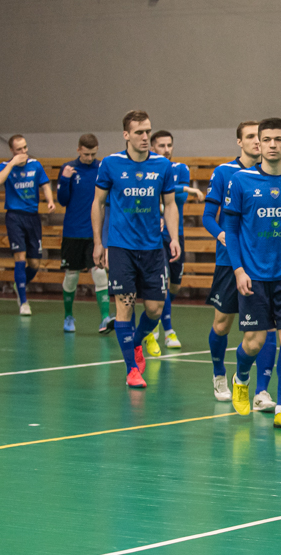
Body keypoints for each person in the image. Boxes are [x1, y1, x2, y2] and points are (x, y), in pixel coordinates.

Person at [222, 118, 281, 431]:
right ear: (258, 145)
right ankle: (241, 377)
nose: (273, 144)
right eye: (267, 139)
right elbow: (231, 229)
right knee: (254, 342)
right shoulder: (241, 180)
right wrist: (238, 270)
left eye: (278, 139)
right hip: (254, 275)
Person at [91, 110, 179, 389]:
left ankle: (137, 342)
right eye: (139, 132)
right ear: (126, 135)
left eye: (148, 131)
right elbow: (98, 203)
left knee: (154, 309)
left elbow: (170, 204)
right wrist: (98, 242)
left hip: (153, 248)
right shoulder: (110, 164)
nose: (145, 136)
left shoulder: (162, 166)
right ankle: (131, 368)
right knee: (125, 306)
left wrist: (174, 237)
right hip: (121, 248)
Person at [203, 121, 279, 409]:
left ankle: (261, 391)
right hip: (229, 261)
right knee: (222, 324)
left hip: (262, 264)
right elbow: (208, 216)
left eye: (259, 137)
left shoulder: (273, 174)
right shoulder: (224, 173)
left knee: (267, 328)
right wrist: (222, 235)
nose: (257, 142)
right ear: (239, 142)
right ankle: (219, 373)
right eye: (250, 137)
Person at [144, 130, 206, 355]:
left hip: (175, 233)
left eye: (169, 145)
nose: (166, 149)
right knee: (163, 281)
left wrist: (181, 190)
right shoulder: (148, 169)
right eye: (161, 145)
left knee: (175, 285)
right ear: (152, 147)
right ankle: (167, 330)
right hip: (154, 235)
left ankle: (156, 316)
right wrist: (186, 188)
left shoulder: (180, 168)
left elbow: (178, 198)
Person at [0, 134, 55, 315]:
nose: (23, 151)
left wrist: (50, 201)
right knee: (20, 257)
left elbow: (45, 184)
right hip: (14, 217)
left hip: (33, 218)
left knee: (34, 263)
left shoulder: (35, 165)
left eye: (25, 147)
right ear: (12, 151)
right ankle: (24, 302)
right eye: (19, 149)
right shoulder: (5, 166)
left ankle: (18, 284)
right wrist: (12, 163)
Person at [57, 133, 113, 333]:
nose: (89, 158)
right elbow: (62, 200)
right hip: (72, 232)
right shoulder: (68, 169)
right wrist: (65, 179)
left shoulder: (102, 169)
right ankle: (68, 316)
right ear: (78, 149)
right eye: (86, 154)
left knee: (99, 273)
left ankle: (105, 318)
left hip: (94, 233)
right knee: (71, 276)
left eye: (93, 154)